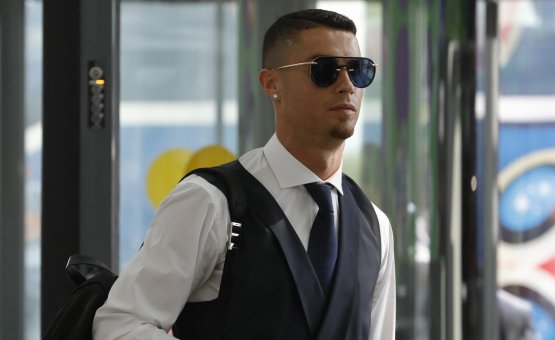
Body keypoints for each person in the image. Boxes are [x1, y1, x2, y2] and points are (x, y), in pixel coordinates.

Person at [93, 8, 396, 340]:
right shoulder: (210, 201)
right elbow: (120, 324)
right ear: (271, 83)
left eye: (358, 70)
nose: (346, 85)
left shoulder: (374, 226)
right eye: (324, 70)